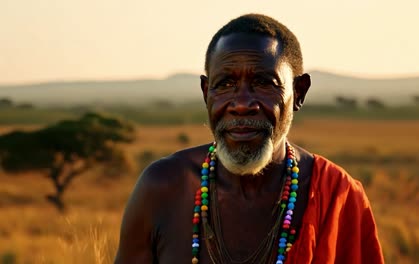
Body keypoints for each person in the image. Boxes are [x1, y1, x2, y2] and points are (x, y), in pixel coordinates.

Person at [115, 14, 384, 264]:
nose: (242, 104)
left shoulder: (338, 196)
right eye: (225, 84)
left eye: (265, 83)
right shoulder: (163, 187)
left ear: (299, 93)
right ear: (206, 92)